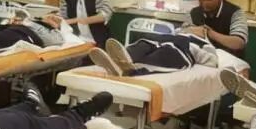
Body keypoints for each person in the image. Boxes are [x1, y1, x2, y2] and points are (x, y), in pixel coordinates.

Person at [90, 34, 220, 77]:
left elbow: (213, 61)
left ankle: (131, 69)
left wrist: (205, 38)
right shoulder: (184, 30)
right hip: (164, 39)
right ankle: (121, 59)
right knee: (144, 42)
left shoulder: (205, 43)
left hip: (183, 50)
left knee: (166, 54)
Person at [182, 0, 248, 59]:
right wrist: (190, 31)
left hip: (230, 59)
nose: (204, 4)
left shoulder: (235, 12)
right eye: (201, 0)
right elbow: (183, 33)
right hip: (203, 58)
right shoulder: (194, 12)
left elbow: (239, 43)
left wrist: (209, 33)